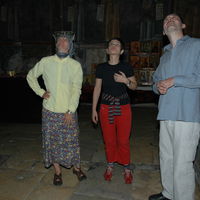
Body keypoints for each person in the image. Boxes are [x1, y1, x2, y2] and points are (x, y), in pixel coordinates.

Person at [149, 14, 200, 200]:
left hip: (187, 114)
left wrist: (173, 81)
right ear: (163, 30)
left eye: (175, 18)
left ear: (183, 25)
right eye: (166, 19)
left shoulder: (196, 45)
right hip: (166, 113)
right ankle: (169, 193)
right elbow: (155, 83)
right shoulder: (165, 54)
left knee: (182, 163)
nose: (170, 19)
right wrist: (158, 86)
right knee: (167, 158)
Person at [26, 31, 86, 186]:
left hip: (68, 112)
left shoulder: (75, 66)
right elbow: (30, 76)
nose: (62, 43)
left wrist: (70, 111)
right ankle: (57, 172)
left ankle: (76, 167)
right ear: (56, 44)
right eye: (59, 40)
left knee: (72, 141)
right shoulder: (46, 61)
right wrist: (41, 92)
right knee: (52, 143)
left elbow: (76, 90)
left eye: (66, 41)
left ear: (70, 45)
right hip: (49, 111)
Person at [92, 38, 137, 184]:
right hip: (105, 107)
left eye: (117, 44)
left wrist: (126, 81)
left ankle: (126, 167)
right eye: (111, 44)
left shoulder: (126, 67)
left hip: (123, 107)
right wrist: (94, 109)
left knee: (123, 140)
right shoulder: (101, 68)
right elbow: (97, 88)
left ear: (121, 51)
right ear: (107, 50)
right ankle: (110, 164)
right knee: (109, 140)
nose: (113, 46)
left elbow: (134, 86)